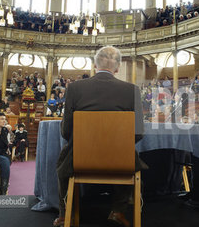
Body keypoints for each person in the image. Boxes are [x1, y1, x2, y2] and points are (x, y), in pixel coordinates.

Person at [55, 46, 144, 227]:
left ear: (94, 65)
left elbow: (65, 132)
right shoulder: (132, 90)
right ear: (118, 68)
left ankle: (65, 215)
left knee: (63, 160)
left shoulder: (74, 88)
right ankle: (118, 210)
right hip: (121, 161)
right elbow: (138, 133)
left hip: (80, 158)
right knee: (130, 155)